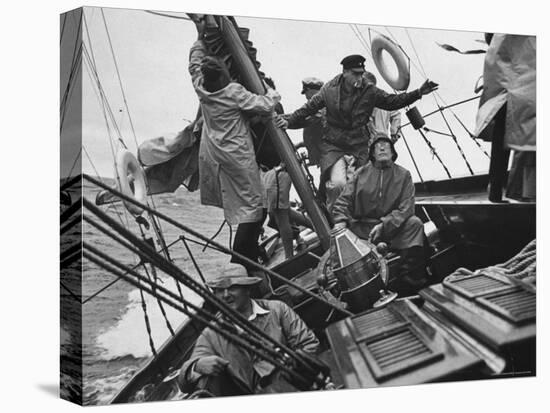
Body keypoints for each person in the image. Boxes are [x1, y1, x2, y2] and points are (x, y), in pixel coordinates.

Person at [276, 54, 438, 213]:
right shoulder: (329, 90)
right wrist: (288, 122)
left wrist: (418, 93)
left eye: (361, 73)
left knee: (366, 187)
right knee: (337, 184)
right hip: (335, 146)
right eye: (355, 74)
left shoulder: (369, 90)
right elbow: (308, 109)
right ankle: (337, 220)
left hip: (359, 145)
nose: (359, 78)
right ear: (345, 72)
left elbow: (391, 102)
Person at [188, 32, 281, 270]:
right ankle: (240, 261)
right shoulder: (233, 92)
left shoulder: (201, 88)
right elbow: (266, 105)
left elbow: (194, 65)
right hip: (238, 155)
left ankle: (248, 254)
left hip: (217, 153)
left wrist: (199, 42)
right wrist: (272, 92)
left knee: (248, 206)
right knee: (255, 209)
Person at [178, 263, 320, 395]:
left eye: (232, 287)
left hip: (293, 389)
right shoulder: (212, 333)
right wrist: (197, 366)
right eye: (220, 290)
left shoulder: (277, 310)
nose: (226, 295)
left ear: (248, 289)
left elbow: (309, 344)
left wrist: (287, 377)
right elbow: (183, 383)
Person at [331, 136, 427, 295]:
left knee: (415, 224)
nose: (382, 148)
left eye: (386, 146)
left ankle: (409, 280)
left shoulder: (404, 175)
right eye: (378, 146)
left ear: (393, 151)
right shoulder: (359, 174)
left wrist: (384, 225)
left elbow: (407, 207)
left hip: (392, 229)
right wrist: (340, 222)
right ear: (372, 153)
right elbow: (343, 201)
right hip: (363, 231)